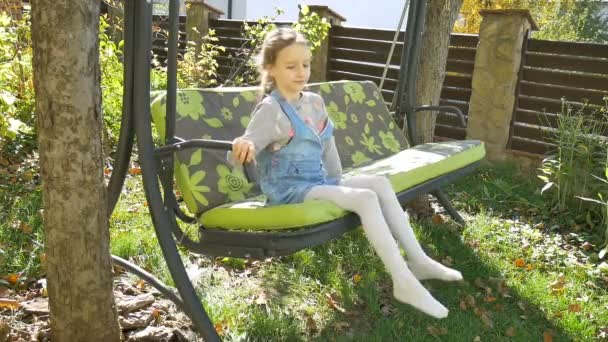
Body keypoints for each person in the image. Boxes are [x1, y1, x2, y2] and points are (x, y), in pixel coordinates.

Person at [231, 27, 462, 319]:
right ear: (270, 68)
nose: (301, 72)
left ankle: (418, 260)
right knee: (364, 198)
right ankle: (403, 281)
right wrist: (243, 145)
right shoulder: (270, 109)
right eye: (291, 66)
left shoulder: (314, 102)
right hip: (290, 191)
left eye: (306, 64)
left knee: (378, 182)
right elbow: (246, 146)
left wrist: (339, 183)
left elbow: (327, 144)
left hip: (319, 181)